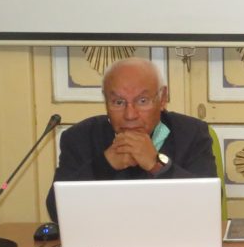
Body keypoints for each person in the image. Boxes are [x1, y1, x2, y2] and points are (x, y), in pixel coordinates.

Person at [46, 57, 217, 222]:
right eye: (118, 102)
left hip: (173, 237)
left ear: (163, 98)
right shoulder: (79, 137)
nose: (130, 115)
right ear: (106, 101)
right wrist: (104, 165)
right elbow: (56, 211)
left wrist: (156, 165)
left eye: (142, 101)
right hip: (105, 238)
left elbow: (209, 205)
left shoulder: (191, 133)